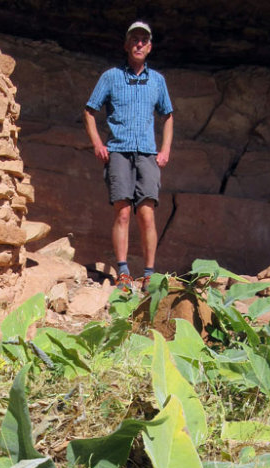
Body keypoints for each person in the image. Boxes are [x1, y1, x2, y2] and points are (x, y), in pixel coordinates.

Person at [83, 21, 173, 293]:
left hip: (146, 152)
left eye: (144, 40)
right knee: (122, 212)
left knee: (146, 214)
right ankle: (122, 271)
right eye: (134, 39)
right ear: (126, 45)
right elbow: (89, 111)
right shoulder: (111, 77)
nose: (139, 44)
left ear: (150, 46)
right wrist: (97, 143)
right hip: (119, 151)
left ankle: (148, 274)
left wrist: (166, 149)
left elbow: (167, 115)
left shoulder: (157, 80)